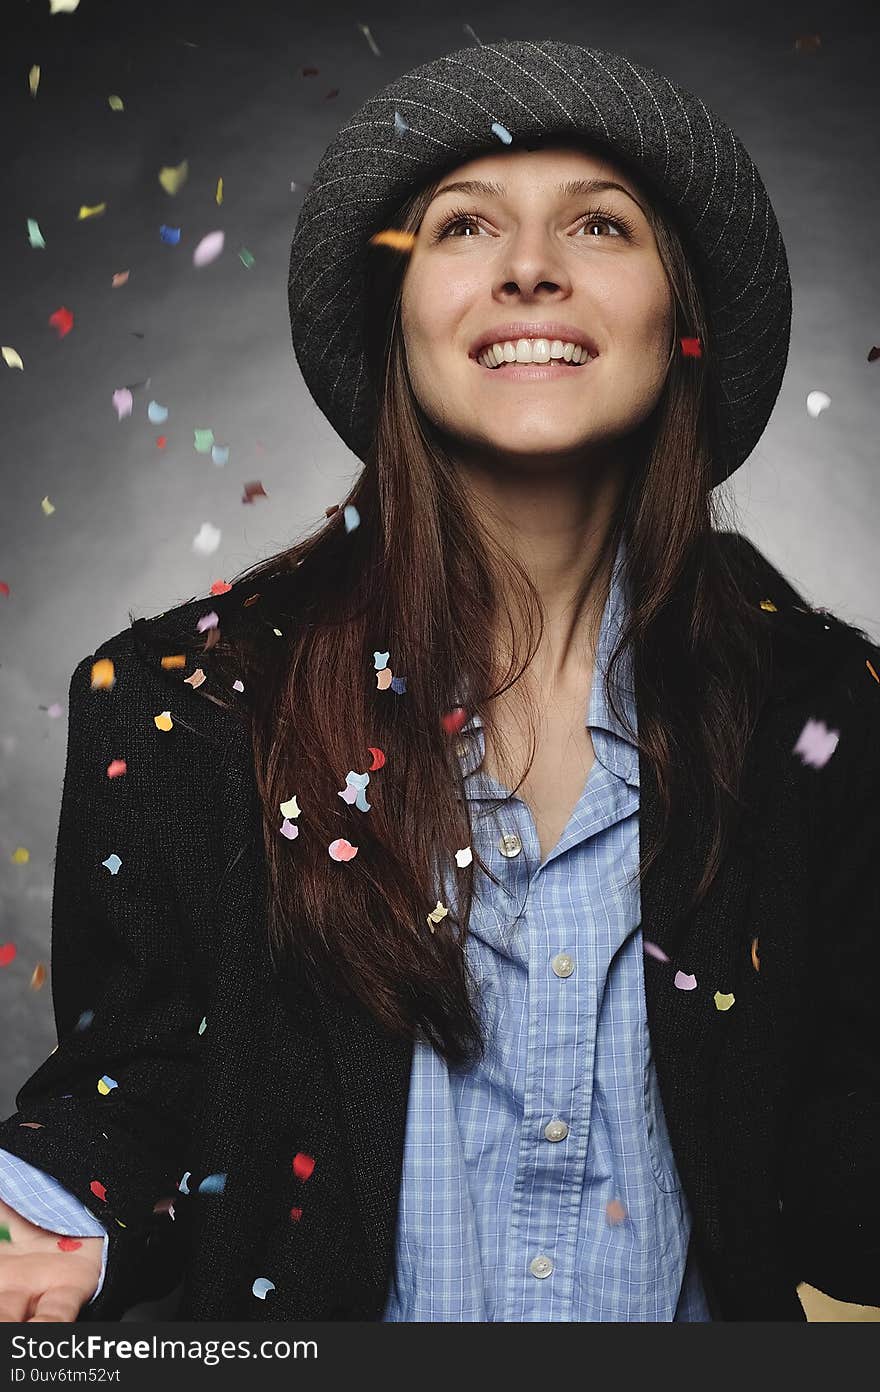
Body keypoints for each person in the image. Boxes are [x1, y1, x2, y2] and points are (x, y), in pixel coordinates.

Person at [1, 37, 878, 1324]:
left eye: (600, 225)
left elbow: (838, 1148)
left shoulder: (828, 718)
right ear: (395, 321)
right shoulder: (181, 703)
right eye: (465, 226)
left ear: (680, 324)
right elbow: (137, 1083)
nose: (530, 267)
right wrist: (59, 1217)